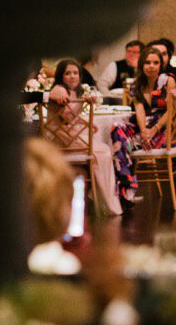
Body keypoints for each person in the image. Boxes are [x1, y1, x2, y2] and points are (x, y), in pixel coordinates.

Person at [46, 59, 122, 216]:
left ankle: (103, 198)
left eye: (75, 73)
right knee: (104, 152)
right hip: (62, 139)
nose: (72, 76)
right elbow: (66, 117)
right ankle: (106, 202)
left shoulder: (74, 91)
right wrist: (84, 104)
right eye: (68, 73)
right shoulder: (59, 91)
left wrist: (86, 122)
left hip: (71, 135)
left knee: (105, 149)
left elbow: (72, 116)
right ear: (61, 76)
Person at [111, 48, 176, 208]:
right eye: (148, 62)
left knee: (122, 145)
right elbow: (140, 110)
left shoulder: (168, 81)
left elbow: (171, 111)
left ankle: (126, 189)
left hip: (163, 130)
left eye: (155, 62)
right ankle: (127, 184)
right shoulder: (137, 84)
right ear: (142, 64)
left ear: (161, 65)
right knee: (116, 129)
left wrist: (154, 129)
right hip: (144, 132)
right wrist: (144, 132)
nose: (151, 66)